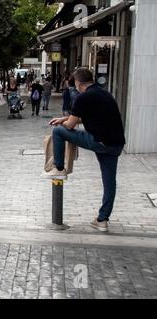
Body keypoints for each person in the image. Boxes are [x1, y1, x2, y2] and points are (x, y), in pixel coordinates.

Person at [44, 68, 126, 232]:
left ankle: (58, 167)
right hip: (115, 144)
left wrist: (63, 122)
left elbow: (70, 125)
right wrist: (64, 118)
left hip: (99, 141)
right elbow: (86, 116)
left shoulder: (82, 97)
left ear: (77, 82)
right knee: (109, 181)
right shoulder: (103, 93)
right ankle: (102, 220)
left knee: (58, 131)